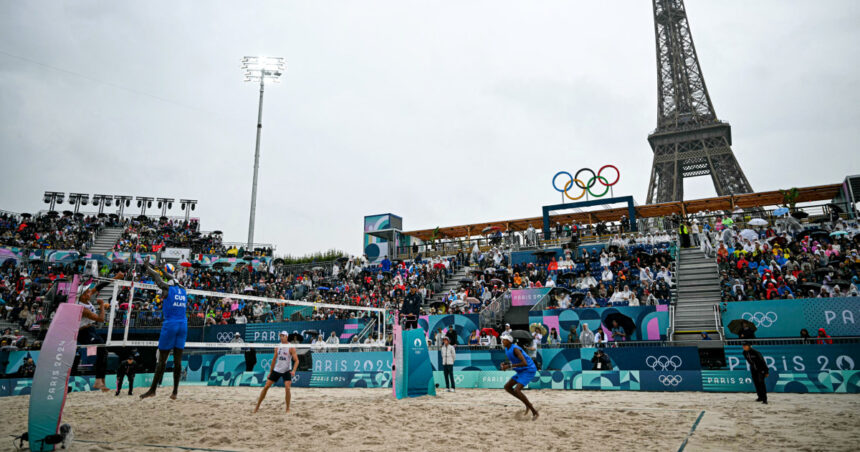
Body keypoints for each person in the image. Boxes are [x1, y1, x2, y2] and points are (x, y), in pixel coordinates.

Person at [140, 260, 188, 400]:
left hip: (170, 326)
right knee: (178, 361)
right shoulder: (183, 289)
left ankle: (153, 390)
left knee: (162, 361)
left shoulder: (167, 289)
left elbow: (156, 277)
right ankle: (175, 392)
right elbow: (171, 278)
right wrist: (162, 270)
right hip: (183, 325)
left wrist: (148, 267)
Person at [73, 271, 124, 393]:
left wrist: (115, 277)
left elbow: (100, 286)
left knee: (103, 351)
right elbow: (100, 319)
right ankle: (98, 380)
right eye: (86, 292)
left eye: (88, 291)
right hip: (83, 333)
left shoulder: (86, 298)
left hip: (90, 330)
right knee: (100, 346)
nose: (89, 293)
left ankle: (100, 381)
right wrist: (102, 306)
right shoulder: (81, 307)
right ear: (81, 295)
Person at [254, 331, 299, 413]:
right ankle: (257, 407)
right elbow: (274, 359)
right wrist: (270, 372)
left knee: (287, 388)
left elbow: (296, 361)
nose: (281, 337)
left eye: (283, 336)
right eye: (280, 336)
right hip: (277, 369)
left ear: (287, 337)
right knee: (266, 387)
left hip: (286, 370)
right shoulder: (277, 346)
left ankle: (287, 408)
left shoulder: (291, 347)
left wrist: (294, 370)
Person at [499, 333, 539, 420]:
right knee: (507, 387)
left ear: (509, 341)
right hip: (521, 370)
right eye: (502, 339)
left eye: (504, 339)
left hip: (529, 369)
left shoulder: (515, 349)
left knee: (517, 390)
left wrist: (509, 366)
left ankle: (534, 411)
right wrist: (505, 364)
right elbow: (514, 361)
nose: (502, 341)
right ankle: (527, 404)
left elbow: (524, 363)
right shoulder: (506, 348)